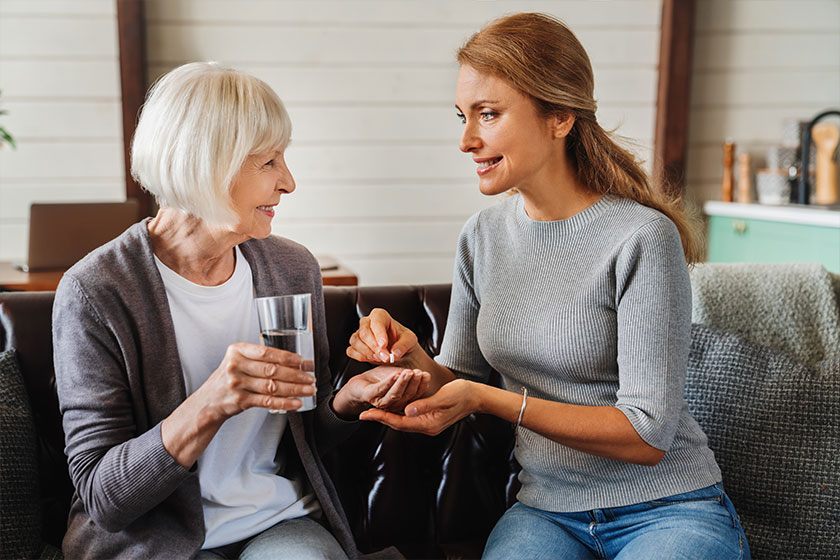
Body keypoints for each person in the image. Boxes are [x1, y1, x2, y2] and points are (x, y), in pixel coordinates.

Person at [346, 13, 751, 560]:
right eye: (463, 117)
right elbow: (458, 381)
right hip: (546, 513)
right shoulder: (482, 237)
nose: (467, 140)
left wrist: (489, 398)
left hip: (669, 509)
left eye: (488, 115)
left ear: (559, 117)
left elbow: (647, 434)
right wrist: (406, 350)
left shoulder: (641, 237)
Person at [53, 62, 425, 559]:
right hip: (153, 543)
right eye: (267, 162)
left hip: (278, 525)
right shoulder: (96, 291)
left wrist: (348, 400)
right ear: (205, 164)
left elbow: (301, 432)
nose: (288, 181)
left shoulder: (292, 268)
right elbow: (104, 499)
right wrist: (212, 403)